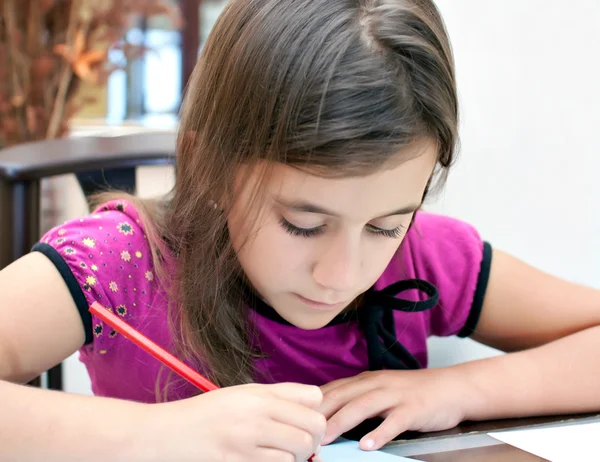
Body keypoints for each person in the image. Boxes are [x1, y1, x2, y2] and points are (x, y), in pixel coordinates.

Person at [2, 0, 600, 460]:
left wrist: (458, 390)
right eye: (303, 224)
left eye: (385, 225)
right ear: (210, 167)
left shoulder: (425, 256)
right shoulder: (120, 264)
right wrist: (156, 435)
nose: (343, 275)